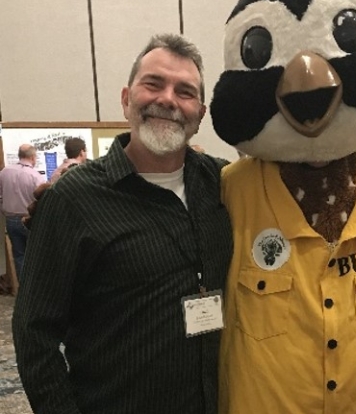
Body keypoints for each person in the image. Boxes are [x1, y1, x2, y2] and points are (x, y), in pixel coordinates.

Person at [12, 33, 233, 414]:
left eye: (185, 91)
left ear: (200, 113)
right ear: (127, 98)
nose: (167, 99)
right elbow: (34, 335)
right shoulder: (72, 200)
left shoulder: (225, 184)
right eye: (153, 84)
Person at [0, 144, 45, 277]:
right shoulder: (35, 176)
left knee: (19, 255)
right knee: (36, 255)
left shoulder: (4, 172)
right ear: (32, 157)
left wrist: (4, 209)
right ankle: (36, 288)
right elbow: (42, 198)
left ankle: (23, 289)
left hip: (10, 219)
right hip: (30, 220)